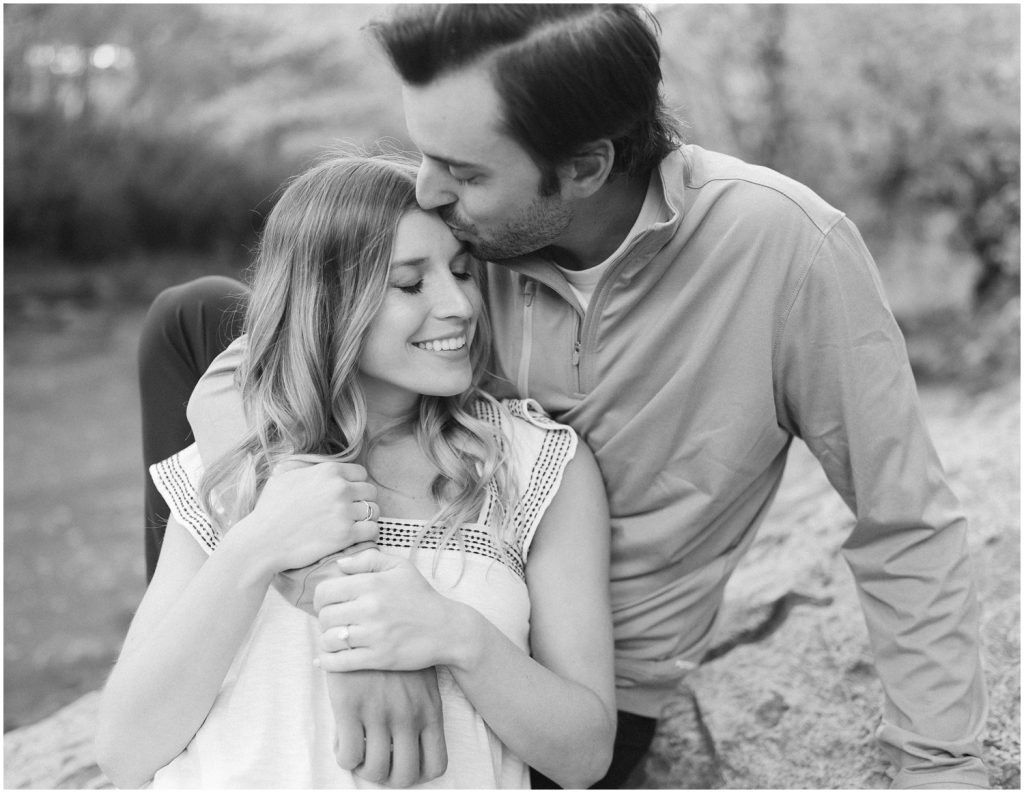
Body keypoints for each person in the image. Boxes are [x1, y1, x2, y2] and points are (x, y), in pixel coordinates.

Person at [142, 4, 989, 789]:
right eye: (425, 152)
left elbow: (905, 520)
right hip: (407, 577)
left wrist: (938, 764)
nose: (427, 191)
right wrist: (342, 598)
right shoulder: (461, 249)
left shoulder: (789, 252)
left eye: (463, 171)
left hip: (573, 688)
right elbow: (238, 379)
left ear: (585, 167)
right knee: (191, 318)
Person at [98, 153, 617, 789]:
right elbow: (124, 753)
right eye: (410, 284)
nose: (459, 304)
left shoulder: (535, 465)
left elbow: (586, 755)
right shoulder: (238, 462)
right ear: (327, 302)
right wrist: (256, 544)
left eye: (461, 272)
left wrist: (456, 636)